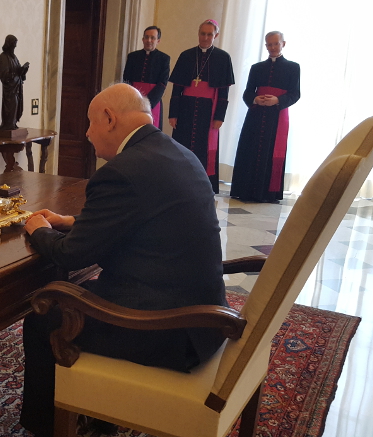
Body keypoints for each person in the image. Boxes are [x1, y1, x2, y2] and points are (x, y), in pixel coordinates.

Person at [20, 83, 227, 437]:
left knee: (43, 319)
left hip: (167, 329)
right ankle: (95, 415)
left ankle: (47, 428)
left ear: (110, 118)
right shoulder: (178, 153)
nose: (86, 133)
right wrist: (72, 222)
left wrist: (37, 227)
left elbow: (71, 255)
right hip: (204, 319)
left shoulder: (122, 172)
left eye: (89, 123)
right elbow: (150, 220)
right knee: (83, 292)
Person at [230, 31, 300, 203]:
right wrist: (255, 99)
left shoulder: (293, 67)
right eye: (269, 44)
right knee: (251, 150)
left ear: (284, 44)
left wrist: (277, 100)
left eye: (276, 44)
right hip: (256, 115)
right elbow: (247, 92)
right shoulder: (257, 68)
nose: (272, 48)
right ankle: (245, 190)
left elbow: (295, 94)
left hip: (276, 117)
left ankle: (267, 193)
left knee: (270, 151)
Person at [168, 19, 235, 193]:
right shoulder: (186, 55)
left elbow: (223, 92)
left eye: (209, 34)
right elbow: (177, 88)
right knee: (182, 144)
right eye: (202, 33)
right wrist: (173, 113)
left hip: (208, 110)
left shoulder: (223, 58)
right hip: (185, 109)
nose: (205, 37)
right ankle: (179, 181)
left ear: (216, 35)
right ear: (198, 34)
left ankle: (203, 185)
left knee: (204, 148)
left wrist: (220, 116)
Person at [123, 26, 170, 129]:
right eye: (146, 37)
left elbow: (162, 83)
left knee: (151, 130)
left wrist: (148, 103)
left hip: (153, 101)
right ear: (142, 39)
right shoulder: (133, 56)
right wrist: (134, 99)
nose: (149, 40)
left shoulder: (164, 59)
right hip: (134, 100)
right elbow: (127, 79)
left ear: (158, 40)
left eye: (152, 38)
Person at [0, 34, 30, 130]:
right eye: (13, 45)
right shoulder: (3, 57)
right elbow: (4, 76)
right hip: (10, 90)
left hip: (17, 87)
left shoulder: (14, 58)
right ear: (9, 44)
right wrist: (17, 72)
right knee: (11, 105)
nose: (15, 47)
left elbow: (19, 72)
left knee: (17, 106)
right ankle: (8, 124)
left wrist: (23, 71)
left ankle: (13, 123)